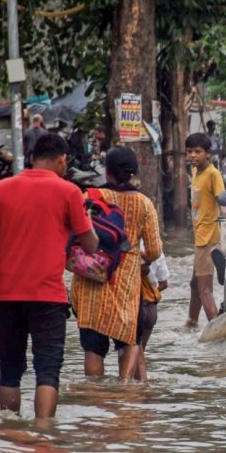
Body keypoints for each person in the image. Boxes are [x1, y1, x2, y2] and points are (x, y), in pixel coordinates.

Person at [0, 134, 97, 419]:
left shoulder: (2, 189)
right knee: (48, 370)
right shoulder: (68, 192)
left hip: (5, 295)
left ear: (31, 157)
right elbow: (90, 244)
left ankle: (10, 434)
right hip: (47, 296)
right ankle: (44, 435)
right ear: (62, 159)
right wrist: (84, 218)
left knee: (9, 370)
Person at [72, 146, 163, 381]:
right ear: (133, 172)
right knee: (128, 342)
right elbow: (154, 250)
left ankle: (96, 399)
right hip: (126, 283)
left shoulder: (89, 197)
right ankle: (123, 394)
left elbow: (74, 235)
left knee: (93, 348)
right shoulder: (144, 203)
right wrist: (134, 255)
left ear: (107, 170)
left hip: (91, 275)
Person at [186, 132, 225, 326]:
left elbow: (222, 199)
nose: (193, 155)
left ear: (207, 153)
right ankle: (192, 322)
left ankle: (216, 331)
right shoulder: (195, 171)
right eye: (190, 151)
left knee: (205, 290)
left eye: (197, 151)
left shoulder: (213, 174)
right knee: (195, 284)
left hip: (208, 238)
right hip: (199, 236)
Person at [135, 253, 169, 381]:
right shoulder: (156, 251)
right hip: (151, 308)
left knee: (132, 354)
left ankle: (138, 390)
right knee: (139, 352)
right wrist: (150, 292)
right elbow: (164, 283)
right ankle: (140, 386)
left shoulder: (127, 246)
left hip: (134, 305)